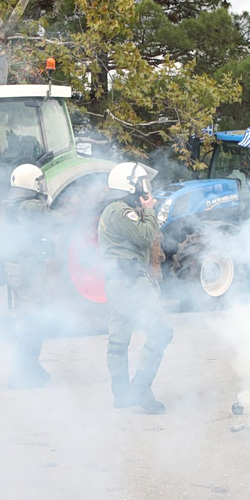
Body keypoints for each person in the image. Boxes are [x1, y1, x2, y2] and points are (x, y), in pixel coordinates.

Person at [97, 162, 172, 414]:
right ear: (128, 185)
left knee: (118, 340)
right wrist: (150, 211)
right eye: (141, 183)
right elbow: (145, 236)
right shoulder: (119, 211)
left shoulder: (115, 210)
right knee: (161, 332)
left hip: (119, 283)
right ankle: (140, 388)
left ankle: (121, 394)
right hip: (129, 284)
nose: (145, 188)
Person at [0, 164, 55, 389]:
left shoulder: (8, 204)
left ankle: (30, 367)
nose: (41, 185)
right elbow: (57, 221)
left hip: (17, 267)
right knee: (31, 321)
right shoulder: (30, 206)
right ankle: (19, 374)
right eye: (38, 181)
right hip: (26, 268)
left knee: (33, 319)